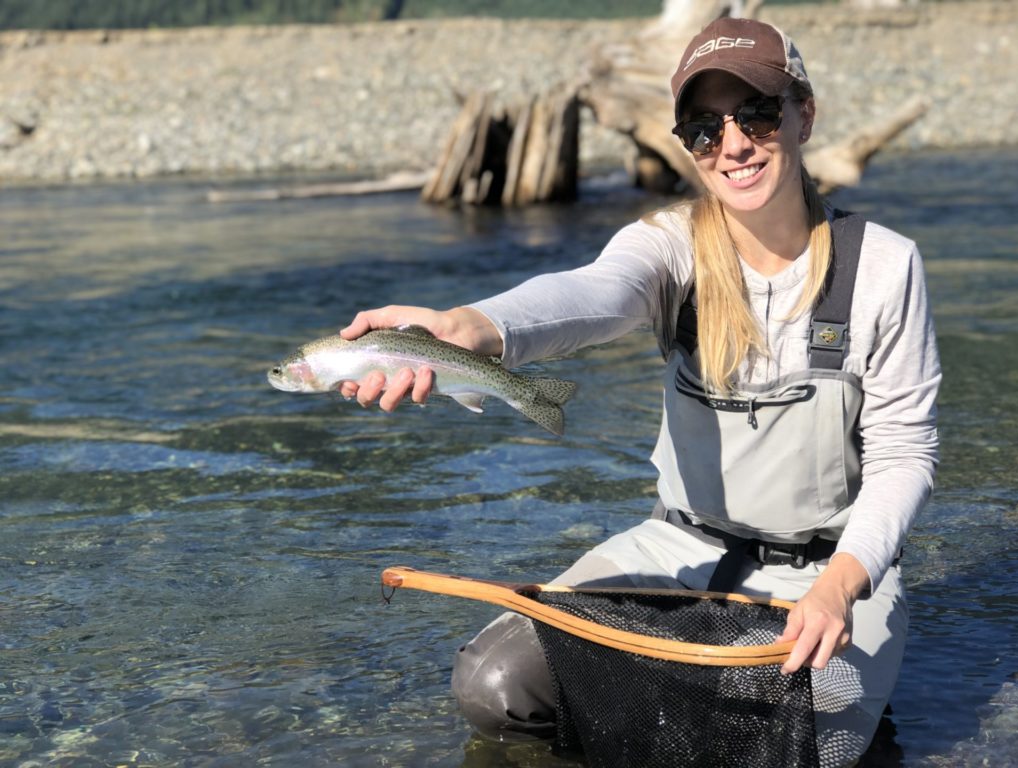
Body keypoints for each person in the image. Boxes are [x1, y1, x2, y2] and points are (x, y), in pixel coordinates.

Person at [339, 17, 940, 767]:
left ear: (804, 114)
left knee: (799, 745)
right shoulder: (669, 244)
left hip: (829, 572)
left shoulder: (883, 266)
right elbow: (589, 294)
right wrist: (470, 327)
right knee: (494, 687)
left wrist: (840, 588)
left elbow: (905, 456)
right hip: (676, 548)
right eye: (703, 129)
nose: (733, 144)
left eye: (755, 113)